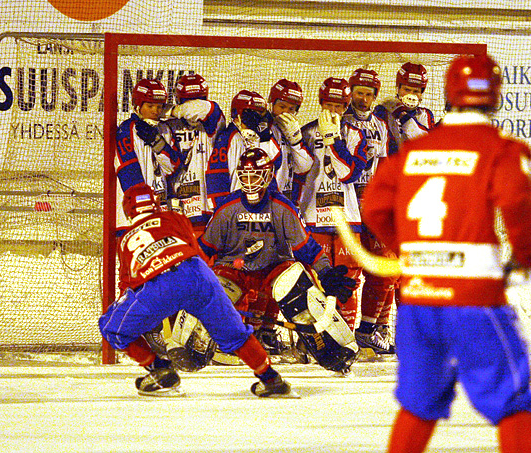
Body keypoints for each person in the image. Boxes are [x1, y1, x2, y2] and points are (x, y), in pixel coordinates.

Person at [362, 54, 531, 453]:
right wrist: (526, 258)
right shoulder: (501, 149)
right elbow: (515, 203)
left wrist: (405, 249)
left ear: (448, 95)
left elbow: (373, 207)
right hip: (475, 299)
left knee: (419, 405)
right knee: (512, 404)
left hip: (418, 300)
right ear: (494, 97)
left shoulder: (410, 153)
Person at [99, 183, 294, 398]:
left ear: (128, 211)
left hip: (157, 283)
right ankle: (271, 380)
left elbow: (127, 285)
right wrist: (212, 298)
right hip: (197, 273)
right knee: (235, 333)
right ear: (155, 204)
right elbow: (198, 252)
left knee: (110, 327)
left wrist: (132, 313)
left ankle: (159, 371)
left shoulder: (126, 239)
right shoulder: (174, 217)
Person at [198, 148, 357, 371]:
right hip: (235, 270)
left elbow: (307, 249)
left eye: (255, 176)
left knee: (297, 285)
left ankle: (328, 349)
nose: (250, 182)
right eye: (245, 176)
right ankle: (200, 346)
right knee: (214, 286)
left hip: (271, 272)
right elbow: (203, 248)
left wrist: (326, 273)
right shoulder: (227, 207)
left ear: (268, 175)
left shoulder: (282, 207)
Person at [299, 77, 368, 331]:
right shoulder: (305, 133)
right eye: (329, 105)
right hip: (313, 216)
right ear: (320, 103)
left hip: (347, 219)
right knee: (314, 279)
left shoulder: (356, 135)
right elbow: (298, 171)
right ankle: (315, 337)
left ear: (347, 105)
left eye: (339, 106)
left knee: (348, 281)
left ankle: (345, 333)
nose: (334, 111)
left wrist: (334, 142)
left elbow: (348, 173)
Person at [342, 68, 398, 353]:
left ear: (375, 96)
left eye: (368, 94)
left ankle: (372, 328)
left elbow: (386, 167)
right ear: (350, 93)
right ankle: (337, 332)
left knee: (385, 268)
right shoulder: (339, 121)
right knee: (347, 273)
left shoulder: (381, 125)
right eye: (358, 93)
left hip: (372, 206)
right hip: (344, 206)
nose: (362, 99)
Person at [115, 78, 181, 233]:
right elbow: (127, 172)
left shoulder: (165, 130)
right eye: (150, 105)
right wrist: (142, 207)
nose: (155, 111)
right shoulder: (126, 130)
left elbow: (172, 167)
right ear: (138, 106)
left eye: (159, 106)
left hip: (160, 212)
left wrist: (157, 143)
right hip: (131, 217)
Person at [164, 73, 226, 235]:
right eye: (187, 100)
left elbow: (197, 109)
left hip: (207, 205)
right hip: (177, 205)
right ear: (179, 99)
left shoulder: (215, 120)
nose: (193, 105)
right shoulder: (168, 125)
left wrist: (173, 110)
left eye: (199, 99)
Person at [267, 79, 314, 202]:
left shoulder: (294, 130)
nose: (285, 113)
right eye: (282, 107)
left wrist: (296, 141)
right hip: (267, 199)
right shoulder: (264, 129)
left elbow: (303, 167)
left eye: (291, 109)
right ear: (272, 103)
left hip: (286, 198)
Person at [377, 62, 436, 145]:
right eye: (407, 90)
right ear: (398, 88)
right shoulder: (384, 110)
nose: (411, 95)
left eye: (416, 91)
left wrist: (403, 116)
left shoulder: (424, 114)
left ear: (421, 94)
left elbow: (425, 144)